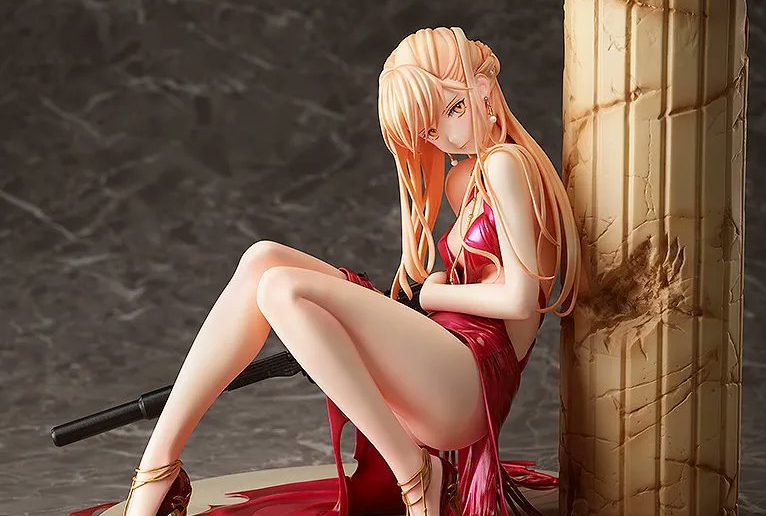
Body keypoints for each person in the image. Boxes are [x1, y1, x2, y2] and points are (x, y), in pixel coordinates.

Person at [119, 26, 581, 516]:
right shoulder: (466, 178)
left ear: (482, 88)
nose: (446, 138)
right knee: (261, 258)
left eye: (452, 110)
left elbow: (519, 300)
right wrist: (436, 295)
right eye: (430, 131)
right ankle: (158, 468)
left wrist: (432, 294)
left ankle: (416, 475)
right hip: (443, 360)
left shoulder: (507, 164)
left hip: (471, 381)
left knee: (282, 289)